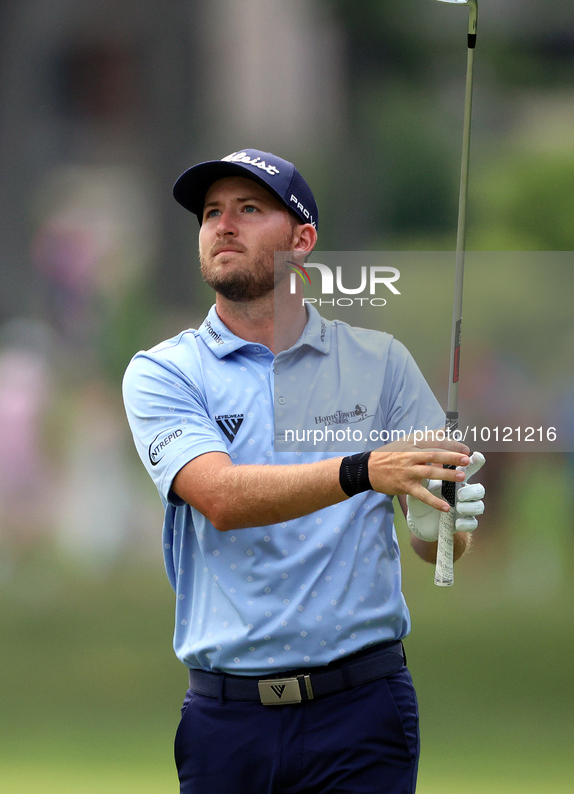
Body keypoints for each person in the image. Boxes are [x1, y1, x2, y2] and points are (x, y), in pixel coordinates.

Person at [122, 148, 486, 794]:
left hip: (361, 710)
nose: (222, 226)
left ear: (302, 240)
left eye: (249, 209)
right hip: (225, 721)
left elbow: (438, 548)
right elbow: (220, 497)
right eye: (210, 213)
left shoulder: (381, 364)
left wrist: (442, 518)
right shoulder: (165, 372)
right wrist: (363, 470)